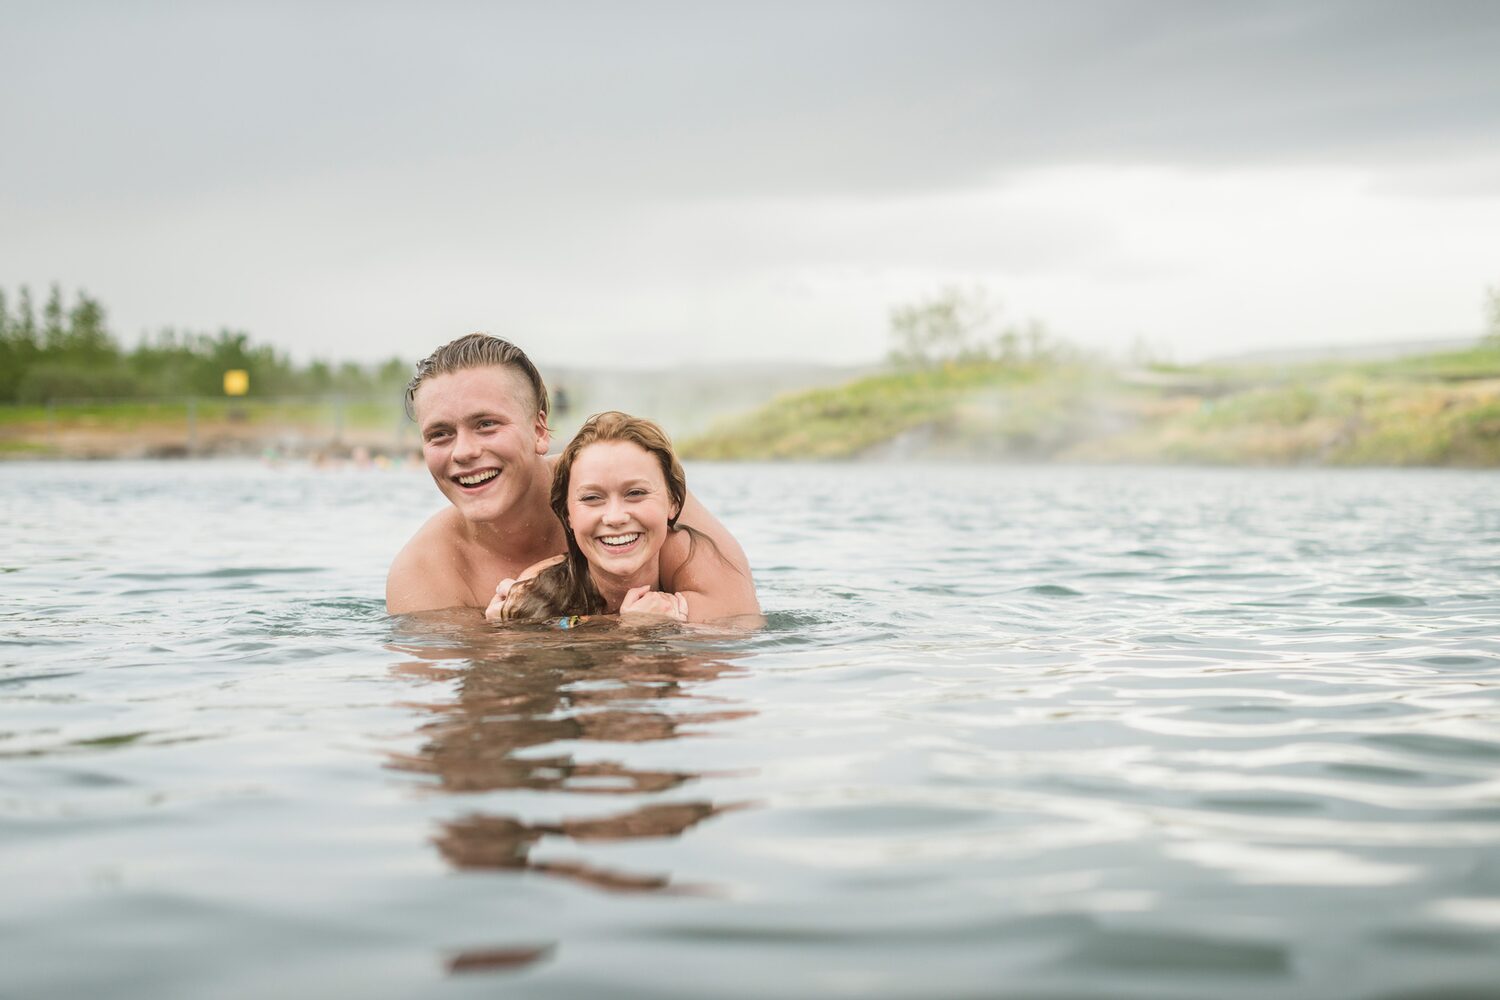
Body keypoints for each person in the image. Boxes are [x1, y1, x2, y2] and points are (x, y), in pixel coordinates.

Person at [385, 334, 758, 620]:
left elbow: (740, 616)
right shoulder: (423, 573)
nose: (463, 452)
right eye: (440, 434)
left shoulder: (626, 485)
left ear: (539, 429)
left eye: (486, 425)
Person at [485, 411, 719, 624]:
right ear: (568, 516)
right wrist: (506, 625)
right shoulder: (537, 592)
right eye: (592, 498)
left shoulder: (706, 574)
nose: (615, 517)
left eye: (635, 493)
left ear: (674, 503)